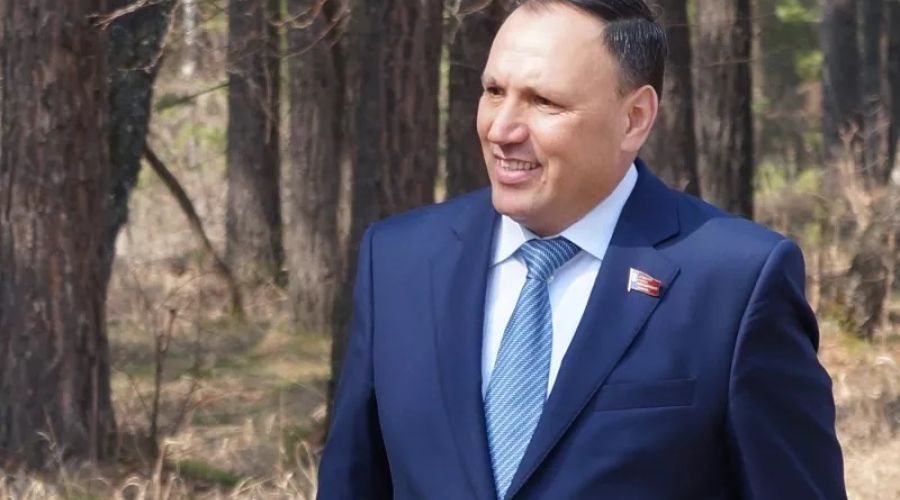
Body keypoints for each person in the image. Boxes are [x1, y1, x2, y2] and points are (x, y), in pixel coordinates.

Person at [317, 0, 846, 498]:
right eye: (494, 91)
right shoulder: (398, 262)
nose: (501, 129)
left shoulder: (735, 281)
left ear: (634, 118)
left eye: (544, 102)